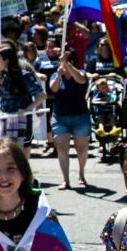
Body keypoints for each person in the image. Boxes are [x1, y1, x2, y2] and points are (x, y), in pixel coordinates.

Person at [0, 42, 45, 158]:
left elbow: (41, 95)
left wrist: (28, 108)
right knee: (0, 149)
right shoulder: (3, 75)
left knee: (16, 153)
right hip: (2, 117)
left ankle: (20, 175)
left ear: (6, 60)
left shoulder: (24, 75)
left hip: (17, 118)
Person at [48, 48, 90, 189]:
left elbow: (81, 80)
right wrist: (59, 75)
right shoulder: (55, 75)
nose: (61, 64)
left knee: (82, 149)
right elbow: (53, 89)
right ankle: (66, 180)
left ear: (71, 62)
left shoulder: (81, 73)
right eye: (60, 61)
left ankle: (81, 174)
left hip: (80, 117)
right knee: (61, 148)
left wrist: (68, 66)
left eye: (64, 61)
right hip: (60, 118)